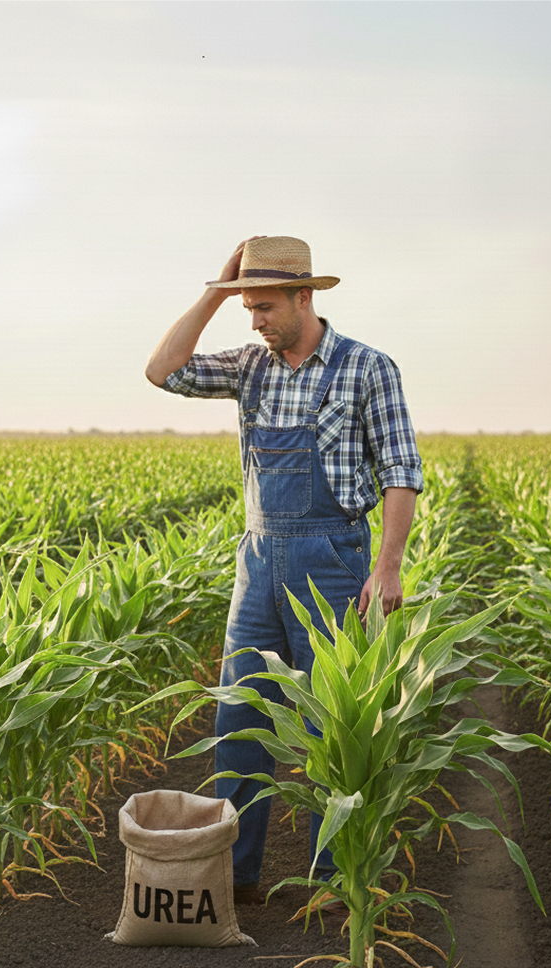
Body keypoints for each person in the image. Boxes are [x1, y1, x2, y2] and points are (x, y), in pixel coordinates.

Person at [145, 235, 423, 904]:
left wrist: (387, 567)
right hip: (259, 560)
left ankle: (334, 880)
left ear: (305, 297)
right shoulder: (249, 365)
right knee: (240, 720)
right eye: (247, 308)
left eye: (264, 307)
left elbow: (401, 470)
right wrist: (214, 293)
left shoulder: (366, 367)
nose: (255, 322)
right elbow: (162, 370)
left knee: (334, 724)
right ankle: (235, 875)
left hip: (333, 560)